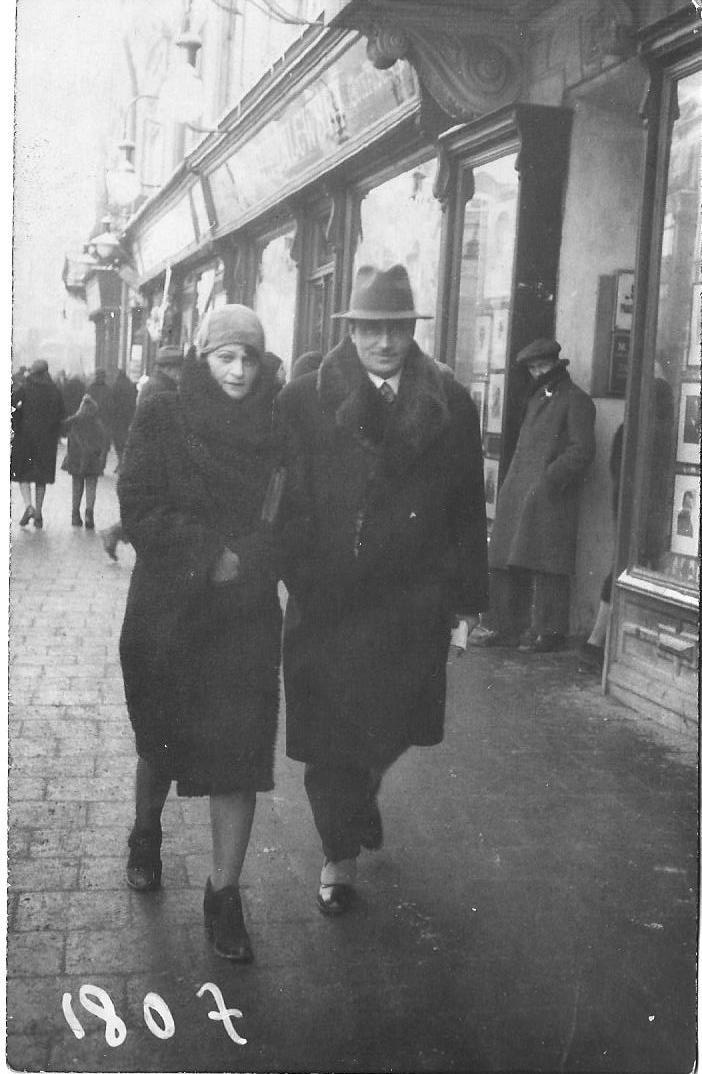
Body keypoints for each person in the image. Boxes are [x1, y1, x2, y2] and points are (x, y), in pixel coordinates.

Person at [275, 263, 488, 915]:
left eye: (397, 328)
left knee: (394, 726)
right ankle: (337, 859)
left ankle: (362, 794)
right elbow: (285, 504)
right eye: (371, 328)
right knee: (329, 740)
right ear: (351, 330)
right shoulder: (306, 400)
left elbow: (465, 508)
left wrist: (465, 601)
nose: (385, 342)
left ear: (411, 329)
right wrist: (304, 575)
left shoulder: (449, 403)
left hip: (410, 604)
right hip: (330, 604)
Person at [118, 305, 283, 962]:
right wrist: (208, 554)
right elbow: (139, 505)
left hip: (244, 617)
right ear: (203, 356)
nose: (238, 371)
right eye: (225, 357)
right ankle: (145, 832)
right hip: (170, 612)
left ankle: (224, 895)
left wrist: (253, 559)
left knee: (240, 757)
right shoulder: (162, 412)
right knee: (160, 741)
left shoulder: (276, 424)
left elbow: (290, 514)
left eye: (249, 358)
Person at [483, 337, 596, 653]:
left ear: (556, 364)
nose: (537, 373)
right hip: (521, 489)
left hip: (550, 494)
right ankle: (506, 627)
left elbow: (582, 450)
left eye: (542, 366)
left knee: (549, 564)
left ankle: (550, 632)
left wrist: (549, 479)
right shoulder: (535, 398)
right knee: (507, 559)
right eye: (533, 368)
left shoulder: (576, 400)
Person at [100, 345, 184, 561]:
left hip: (149, 454)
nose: (180, 373)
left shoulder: (157, 384)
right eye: (178, 368)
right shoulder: (160, 388)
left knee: (150, 509)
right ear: (169, 368)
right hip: (152, 456)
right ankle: (113, 534)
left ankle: (113, 534)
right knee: (150, 510)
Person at [11, 358, 65, 528]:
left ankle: (29, 506)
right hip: (46, 440)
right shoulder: (54, 390)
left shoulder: (25, 387)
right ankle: (39, 513)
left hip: (25, 438)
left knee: (23, 473)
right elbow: (61, 413)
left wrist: (17, 425)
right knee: (41, 477)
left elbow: (12, 406)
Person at [61, 393, 110, 529]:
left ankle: (75, 515)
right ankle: (89, 515)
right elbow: (104, 441)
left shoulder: (74, 420)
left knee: (77, 487)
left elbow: (62, 428)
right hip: (92, 460)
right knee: (91, 487)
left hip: (76, 459)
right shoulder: (97, 423)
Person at [109, 368, 137, 472]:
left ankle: (121, 462)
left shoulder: (115, 385)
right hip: (128, 416)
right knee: (125, 439)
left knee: (117, 441)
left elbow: (112, 401)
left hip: (117, 417)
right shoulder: (130, 385)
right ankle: (124, 462)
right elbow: (134, 400)